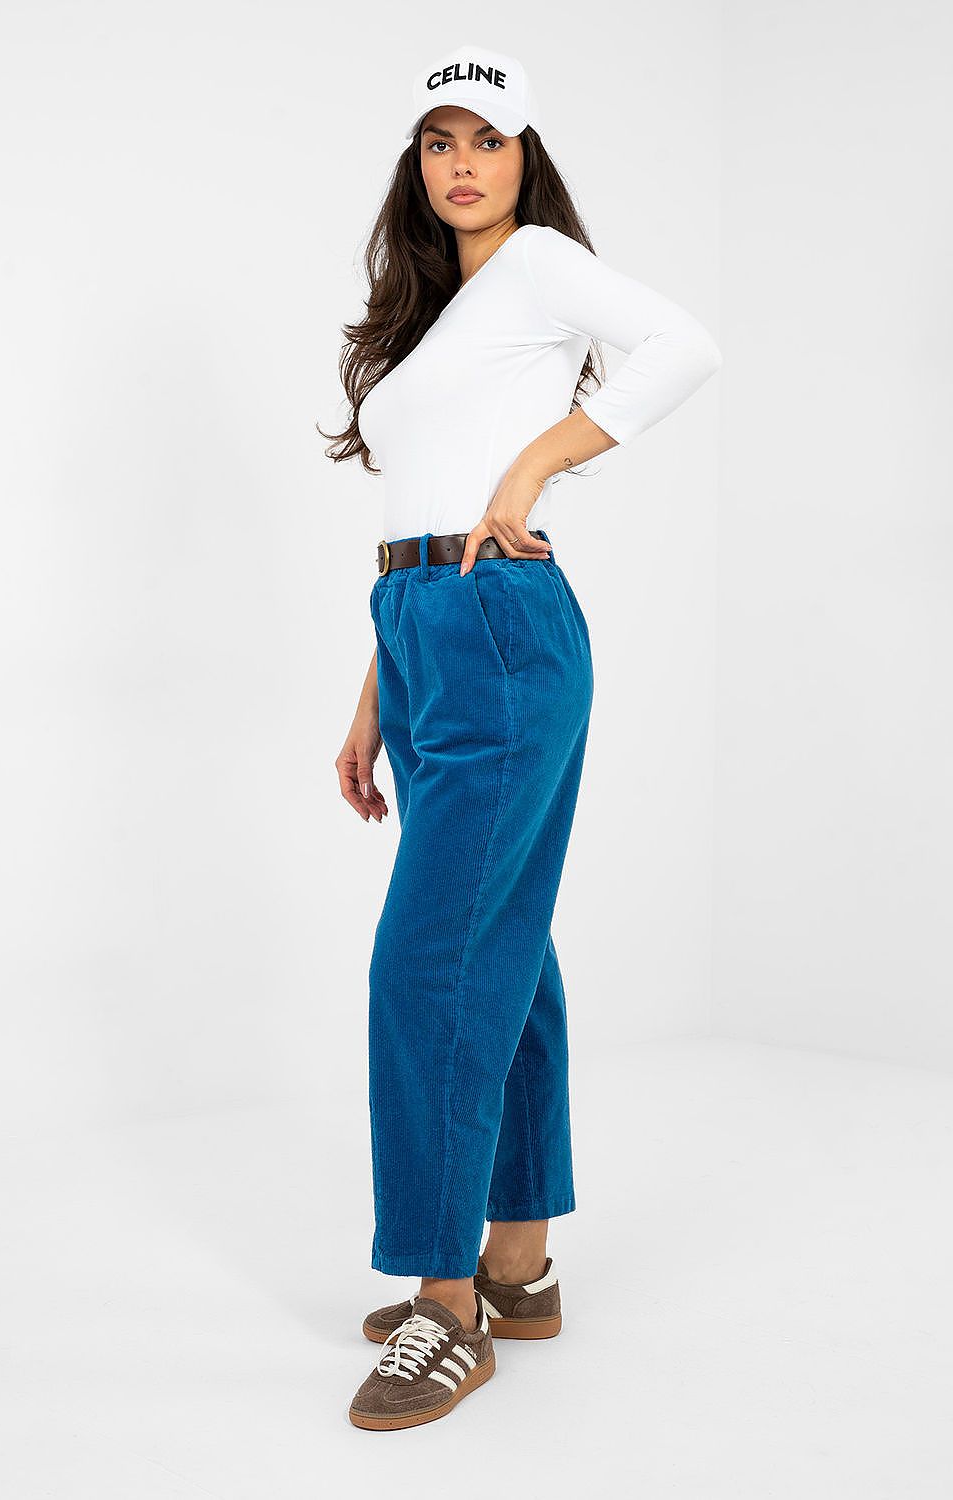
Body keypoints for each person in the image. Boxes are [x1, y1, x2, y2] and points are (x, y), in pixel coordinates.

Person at [320, 42, 722, 1431]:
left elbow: (686, 345)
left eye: (483, 139)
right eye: (437, 142)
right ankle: (519, 1267)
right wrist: (379, 691)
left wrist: (542, 458)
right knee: (506, 946)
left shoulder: (544, 262)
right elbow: (417, 501)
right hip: (427, 634)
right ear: (417, 164)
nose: (461, 164)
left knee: (427, 959)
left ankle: (445, 1308)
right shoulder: (440, 311)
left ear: (522, 153)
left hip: (499, 623)